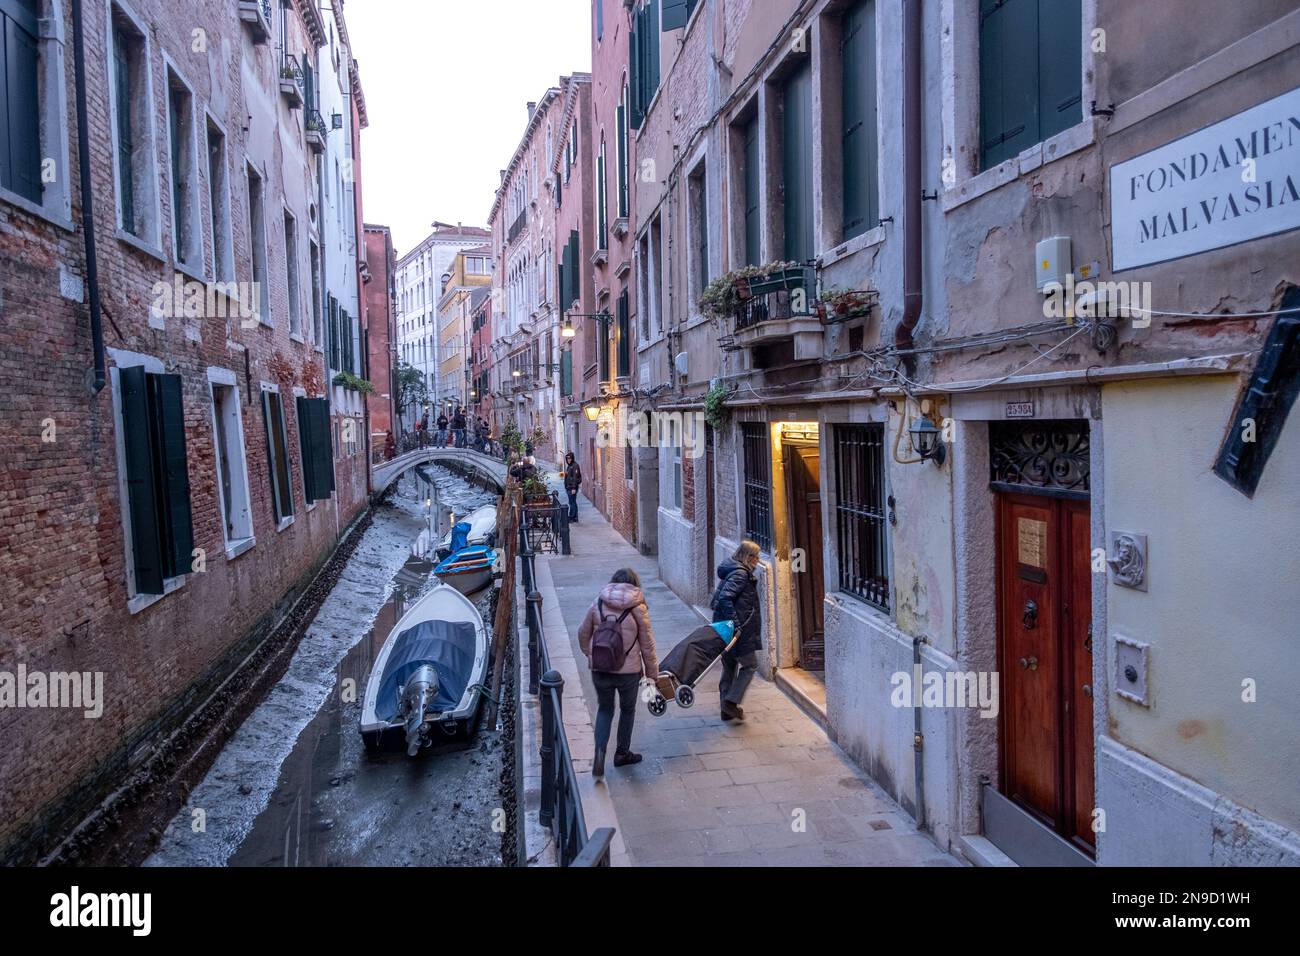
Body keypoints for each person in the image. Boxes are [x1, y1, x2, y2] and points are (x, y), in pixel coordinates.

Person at [577, 568, 661, 778]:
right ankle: (622, 753)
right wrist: (652, 675)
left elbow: (582, 633)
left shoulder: (598, 603)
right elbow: (647, 646)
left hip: (601, 668)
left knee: (605, 709)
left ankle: (599, 752)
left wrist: (591, 655)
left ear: (613, 583)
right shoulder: (638, 608)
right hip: (629, 673)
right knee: (627, 710)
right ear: (634, 584)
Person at [711, 540, 762, 722]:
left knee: (730, 665)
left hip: (725, 627)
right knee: (750, 665)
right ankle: (730, 703)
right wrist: (736, 624)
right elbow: (724, 599)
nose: (758, 560)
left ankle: (726, 709)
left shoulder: (732, 570)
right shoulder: (740, 574)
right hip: (736, 630)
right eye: (756, 557)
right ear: (749, 557)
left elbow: (717, 600)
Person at [562, 452, 582, 523]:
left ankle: (572, 517)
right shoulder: (569, 466)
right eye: (567, 459)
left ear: (572, 458)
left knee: (572, 503)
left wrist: (574, 488)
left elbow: (575, 477)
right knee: (573, 502)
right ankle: (575, 517)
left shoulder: (575, 466)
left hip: (572, 488)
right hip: (568, 487)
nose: (568, 460)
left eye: (570, 458)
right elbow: (570, 476)